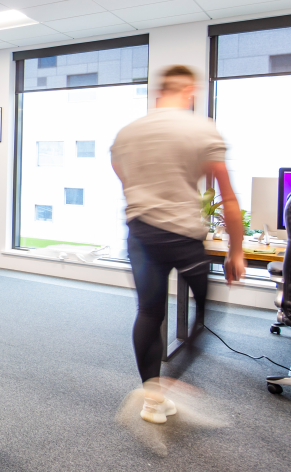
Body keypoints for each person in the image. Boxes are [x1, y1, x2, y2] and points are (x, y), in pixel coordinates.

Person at [111, 65, 245, 424]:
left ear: (159, 93)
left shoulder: (129, 132)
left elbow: (120, 172)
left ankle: (151, 398)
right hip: (184, 237)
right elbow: (228, 197)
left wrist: (144, 193)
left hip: (141, 234)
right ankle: (167, 387)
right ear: (190, 92)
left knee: (149, 312)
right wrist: (235, 249)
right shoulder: (200, 128)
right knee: (203, 316)